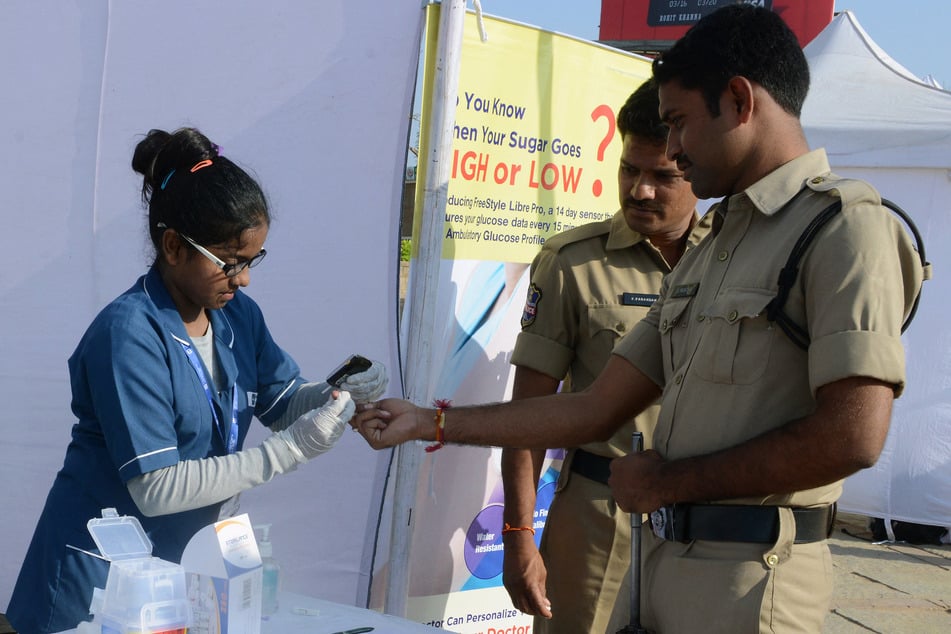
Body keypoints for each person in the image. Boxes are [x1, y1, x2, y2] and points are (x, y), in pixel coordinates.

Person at [355, 5, 925, 632]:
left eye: (679, 123)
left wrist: (669, 482)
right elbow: (595, 408)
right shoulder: (717, 247)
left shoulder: (843, 229)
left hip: (750, 579)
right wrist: (433, 421)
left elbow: (853, 437)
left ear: (738, 100)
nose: (674, 147)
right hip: (659, 563)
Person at [7, 127, 387, 634]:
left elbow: (280, 401)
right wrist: (286, 454)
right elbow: (157, 488)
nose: (244, 278)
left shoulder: (237, 316)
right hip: (101, 582)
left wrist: (335, 394)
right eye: (229, 263)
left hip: (180, 570)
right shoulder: (129, 334)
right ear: (172, 246)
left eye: (252, 261)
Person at [500, 77, 705, 633]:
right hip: (599, 519)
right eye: (628, 170)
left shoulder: (734, 259)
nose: (639, 191)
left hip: (709, 518)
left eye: (662, 176)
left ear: (698, 168)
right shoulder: (572, 262)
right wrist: (519, 538)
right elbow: (527, 419)